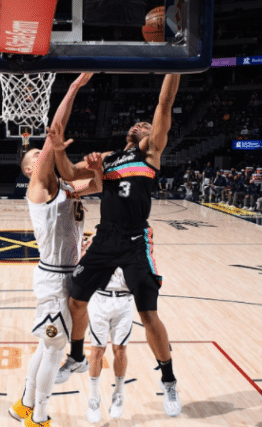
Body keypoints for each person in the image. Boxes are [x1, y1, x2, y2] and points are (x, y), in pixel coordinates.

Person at [52, 73, 183, 417]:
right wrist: (60, 150)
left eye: (146, 124)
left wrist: (176, 66)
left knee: (148, 314)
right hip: (105, 237)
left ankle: (169, 380)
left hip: (135, 239)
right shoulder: (108, 158)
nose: (142, 125)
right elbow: (69, 175)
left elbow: (164, 104)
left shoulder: (149, 153)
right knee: (76, 299)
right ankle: (77, 356)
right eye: (138, 124)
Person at [8, 73, 101, 427]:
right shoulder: (39, 188)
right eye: (38, 155)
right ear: (31, 169)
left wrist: (98, 166)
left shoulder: (66, 187)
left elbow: (98, 183)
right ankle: (39, 417)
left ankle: (25, 405)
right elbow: (52, 136)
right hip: (53, 280)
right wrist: (74, 87)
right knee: (53, 350)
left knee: (45, 347)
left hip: (67, 275)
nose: (43, 153)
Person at [85, 255, 134, 422]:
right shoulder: (96, 243)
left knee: (120, 350)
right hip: (100, 299)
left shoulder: (135, 245)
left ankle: (118, 394)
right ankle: (93, 398)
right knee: (97, 350)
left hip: (125, 300)